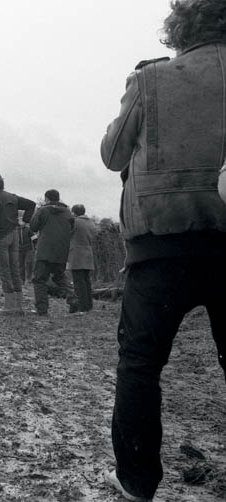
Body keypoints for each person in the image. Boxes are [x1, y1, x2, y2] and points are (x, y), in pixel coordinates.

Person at [100, 3, 226, 499]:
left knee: (140, 365)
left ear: (179, 29)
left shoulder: (152, 80)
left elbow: (112, 155)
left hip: (161, 246)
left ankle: (136, 483)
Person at [0, 174, 36, 314]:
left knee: (4, 271)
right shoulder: (12, 197)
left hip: (1, 238)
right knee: (16, 269)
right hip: (14, 235)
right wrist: (24, 221)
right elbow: (31, 205)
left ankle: (9, 306)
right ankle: (19, 306)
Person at [29, 189, 79, 316]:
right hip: (61, 251)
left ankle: (42, 309)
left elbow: (33, 227)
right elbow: (72, 228)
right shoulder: (68, 212)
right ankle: (73, 298)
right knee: (59, 276)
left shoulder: (43, 210)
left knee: (39, 279)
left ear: (46, 199)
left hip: (44, 251)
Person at [67, 204, 96, 313]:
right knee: (86, 280)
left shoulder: (75, 222)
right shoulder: (91, 223)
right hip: (88, 252)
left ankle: (81, 306)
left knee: (78, 281)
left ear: (74, 212)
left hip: (77, 253)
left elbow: (68, 234)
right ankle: (88, 305)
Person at [17, 215, 35, 284]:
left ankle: (29, 278)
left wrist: (36, 246)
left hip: (28, 249)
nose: (21, 222)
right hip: (19, 249)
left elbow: (34, 238)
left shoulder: (28, 230)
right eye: (19, 220)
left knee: (28, 263)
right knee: (20, 265)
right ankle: (22, 279)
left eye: (22, 220)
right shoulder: (16, 230)